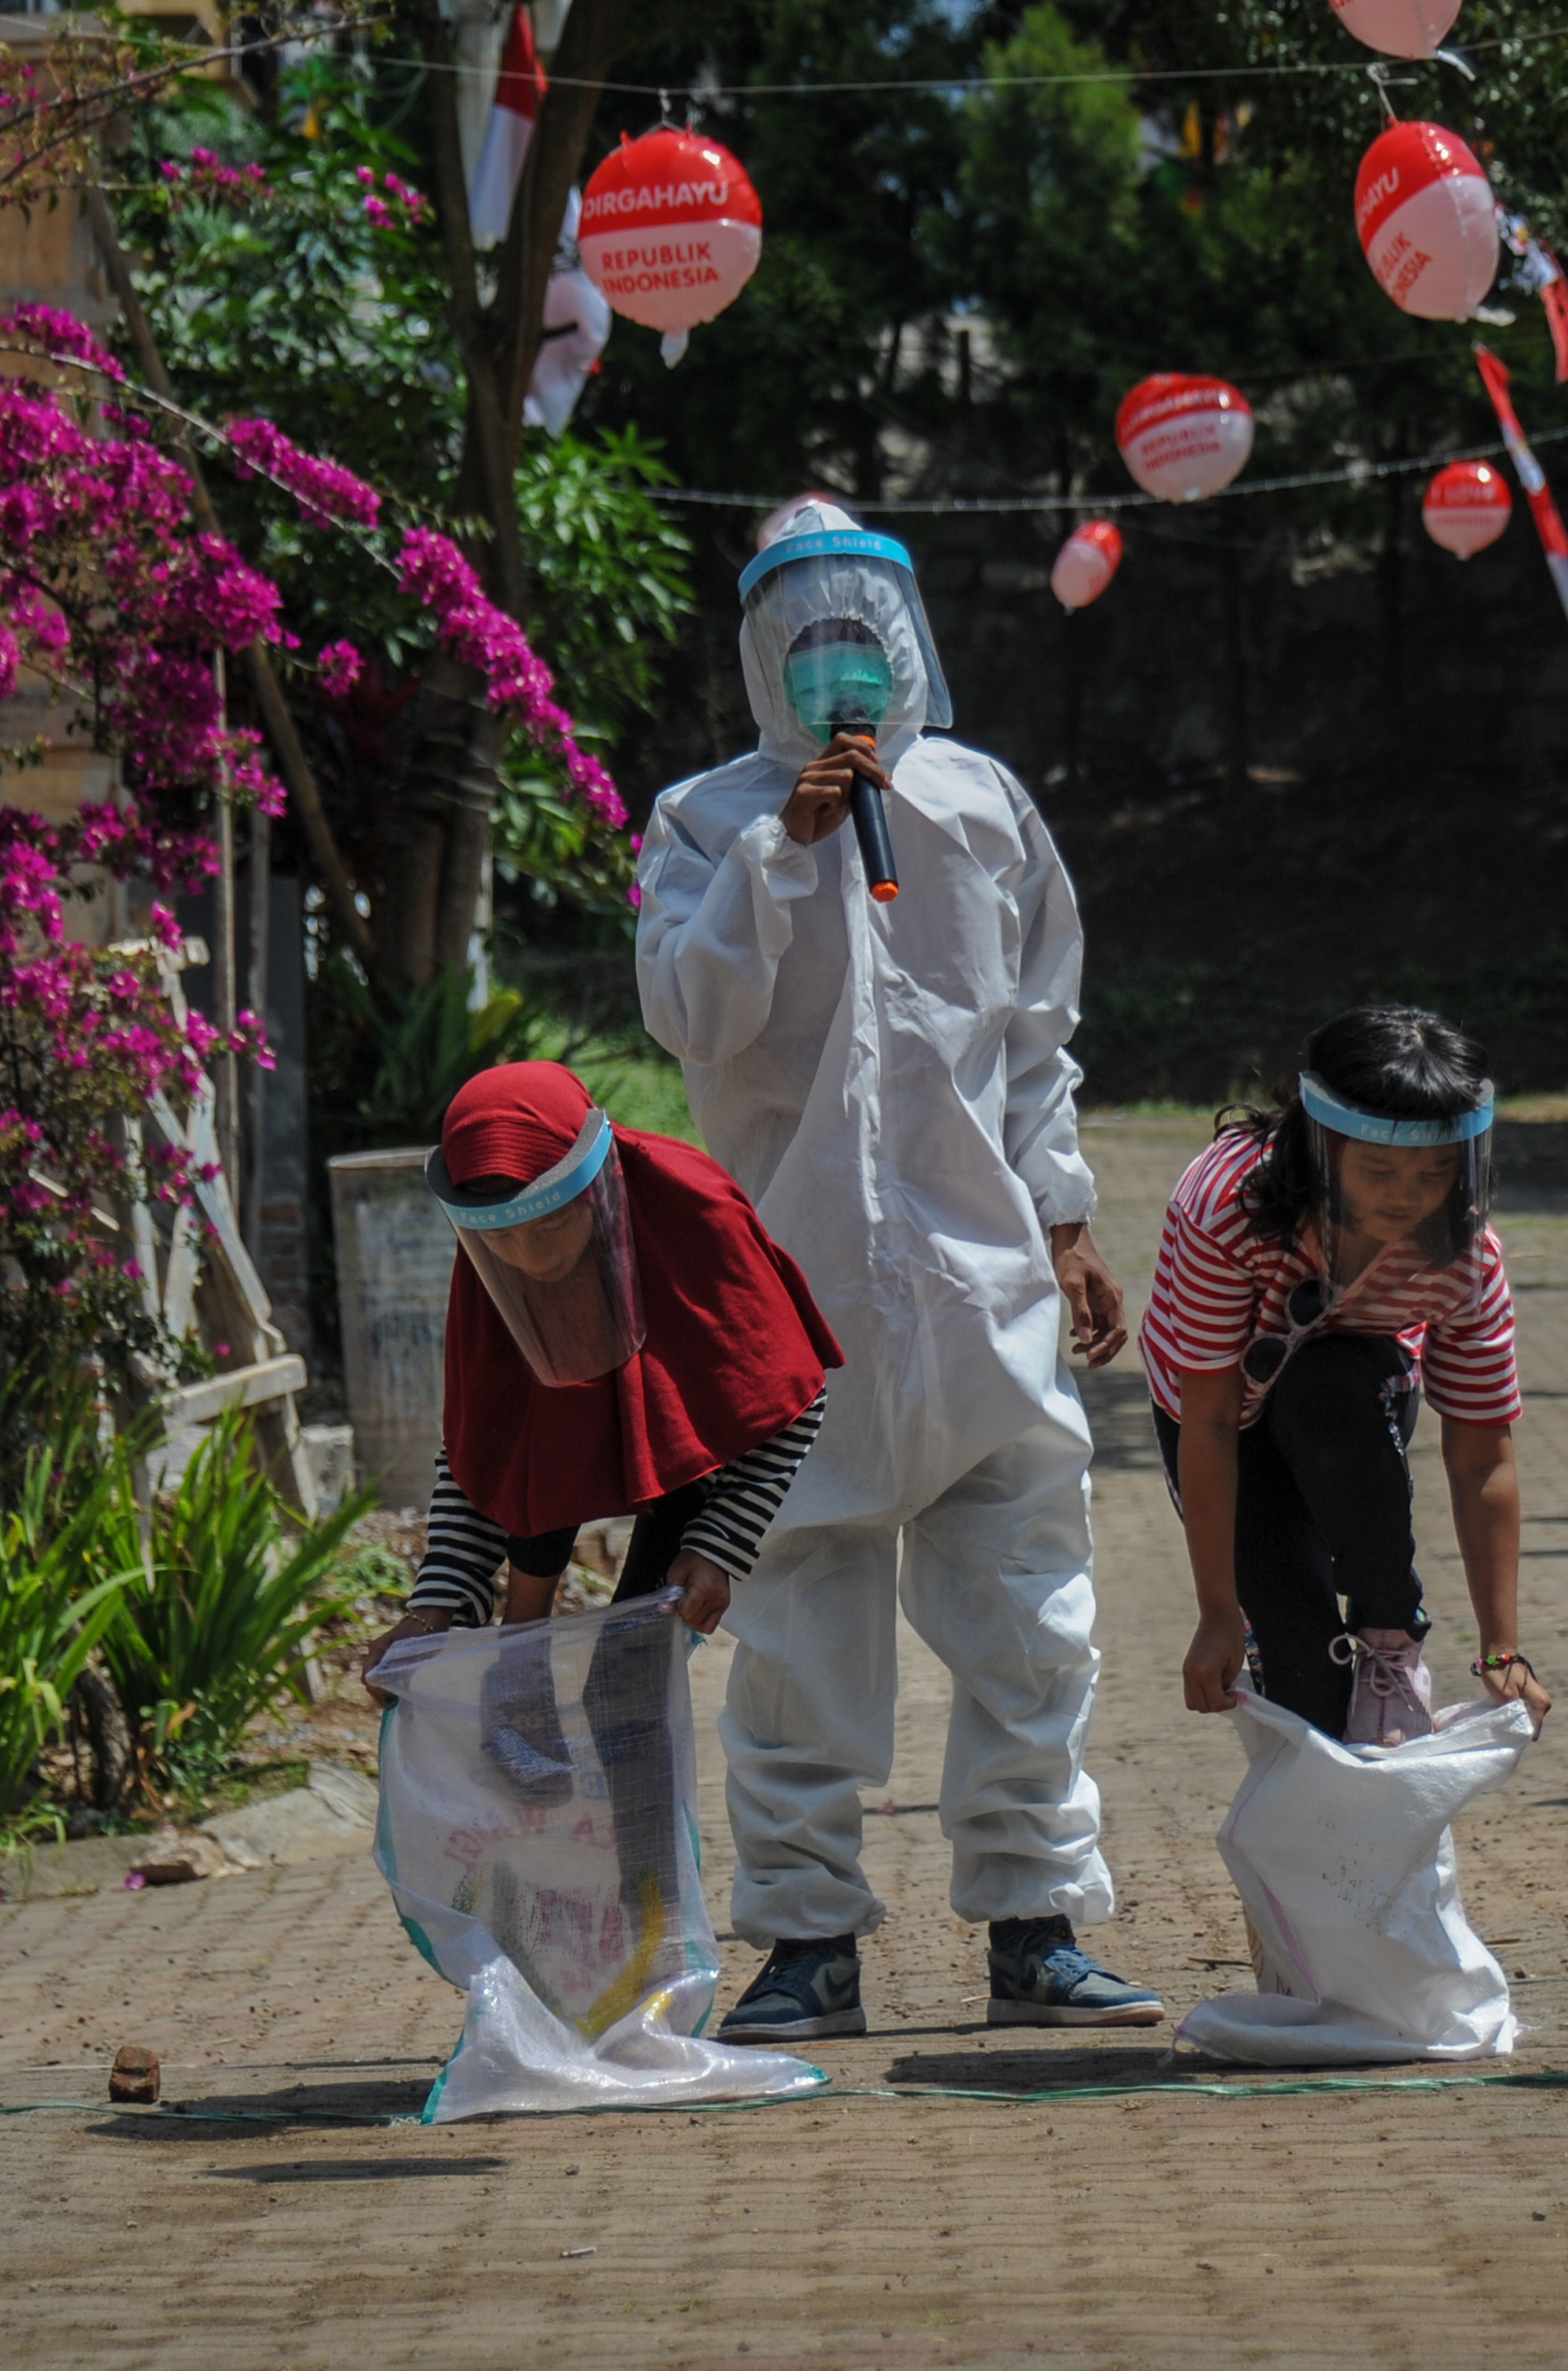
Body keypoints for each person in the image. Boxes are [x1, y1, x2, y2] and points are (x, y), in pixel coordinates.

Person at [636, 498, 1158, 2040]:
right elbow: (690, 1017)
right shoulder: (698, 823)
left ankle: (1036, 1926)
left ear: (908, 642)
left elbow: (1034, 1038)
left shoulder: (984, 805)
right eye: (805, 640)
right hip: (792, 1307)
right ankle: (806, 1948)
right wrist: (779, 855)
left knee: (1030, 1618)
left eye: (860, 635)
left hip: (981, 1285)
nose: (837, 665)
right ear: (761, 657)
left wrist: (1062, 1218)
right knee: (796, 1635)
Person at [1139, 1009, 1550, 1746]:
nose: (1406, 1198)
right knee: (1306, 1689)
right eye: (1380, 1170)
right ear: (1325, 1148)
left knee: (1329, 1383)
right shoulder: (1225, 1212)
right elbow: (1205, 1419)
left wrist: (1501, 1645)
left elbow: (1482, 1452)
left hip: (1350, 1402)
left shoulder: (1464, 1257)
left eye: (1435, 1174)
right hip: (1217, 1414)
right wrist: (1217, 1612)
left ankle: (1391, 1639)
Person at [360, 1059, 839, 1661]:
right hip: (560, 1473)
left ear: (594, 1184)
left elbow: (790, 1397)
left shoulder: (697, 1213)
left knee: (629, 1672)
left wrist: (718, 1543)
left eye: (552, 1223)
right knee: (517, 1684)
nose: (530, 1258)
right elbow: (482, 1451)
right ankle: (519, 1649)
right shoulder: (490, 1265)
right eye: (502, 1238)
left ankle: (556, 1660)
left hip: (694, 1457)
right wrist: (434, 1609)